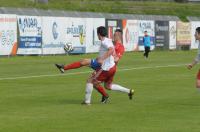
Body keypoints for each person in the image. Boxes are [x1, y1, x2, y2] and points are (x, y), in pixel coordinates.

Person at [83, 27, 134, 105]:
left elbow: (116, 59)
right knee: (108, 86)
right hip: (107, 67)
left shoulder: (120, 47)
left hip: (108, 68)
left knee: (92, 81)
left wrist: (104, 62)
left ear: (119, 36)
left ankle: (88, 101)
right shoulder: (111, 43)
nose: (114, 36)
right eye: (114, 34)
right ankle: (129, 91)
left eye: (115, 35)